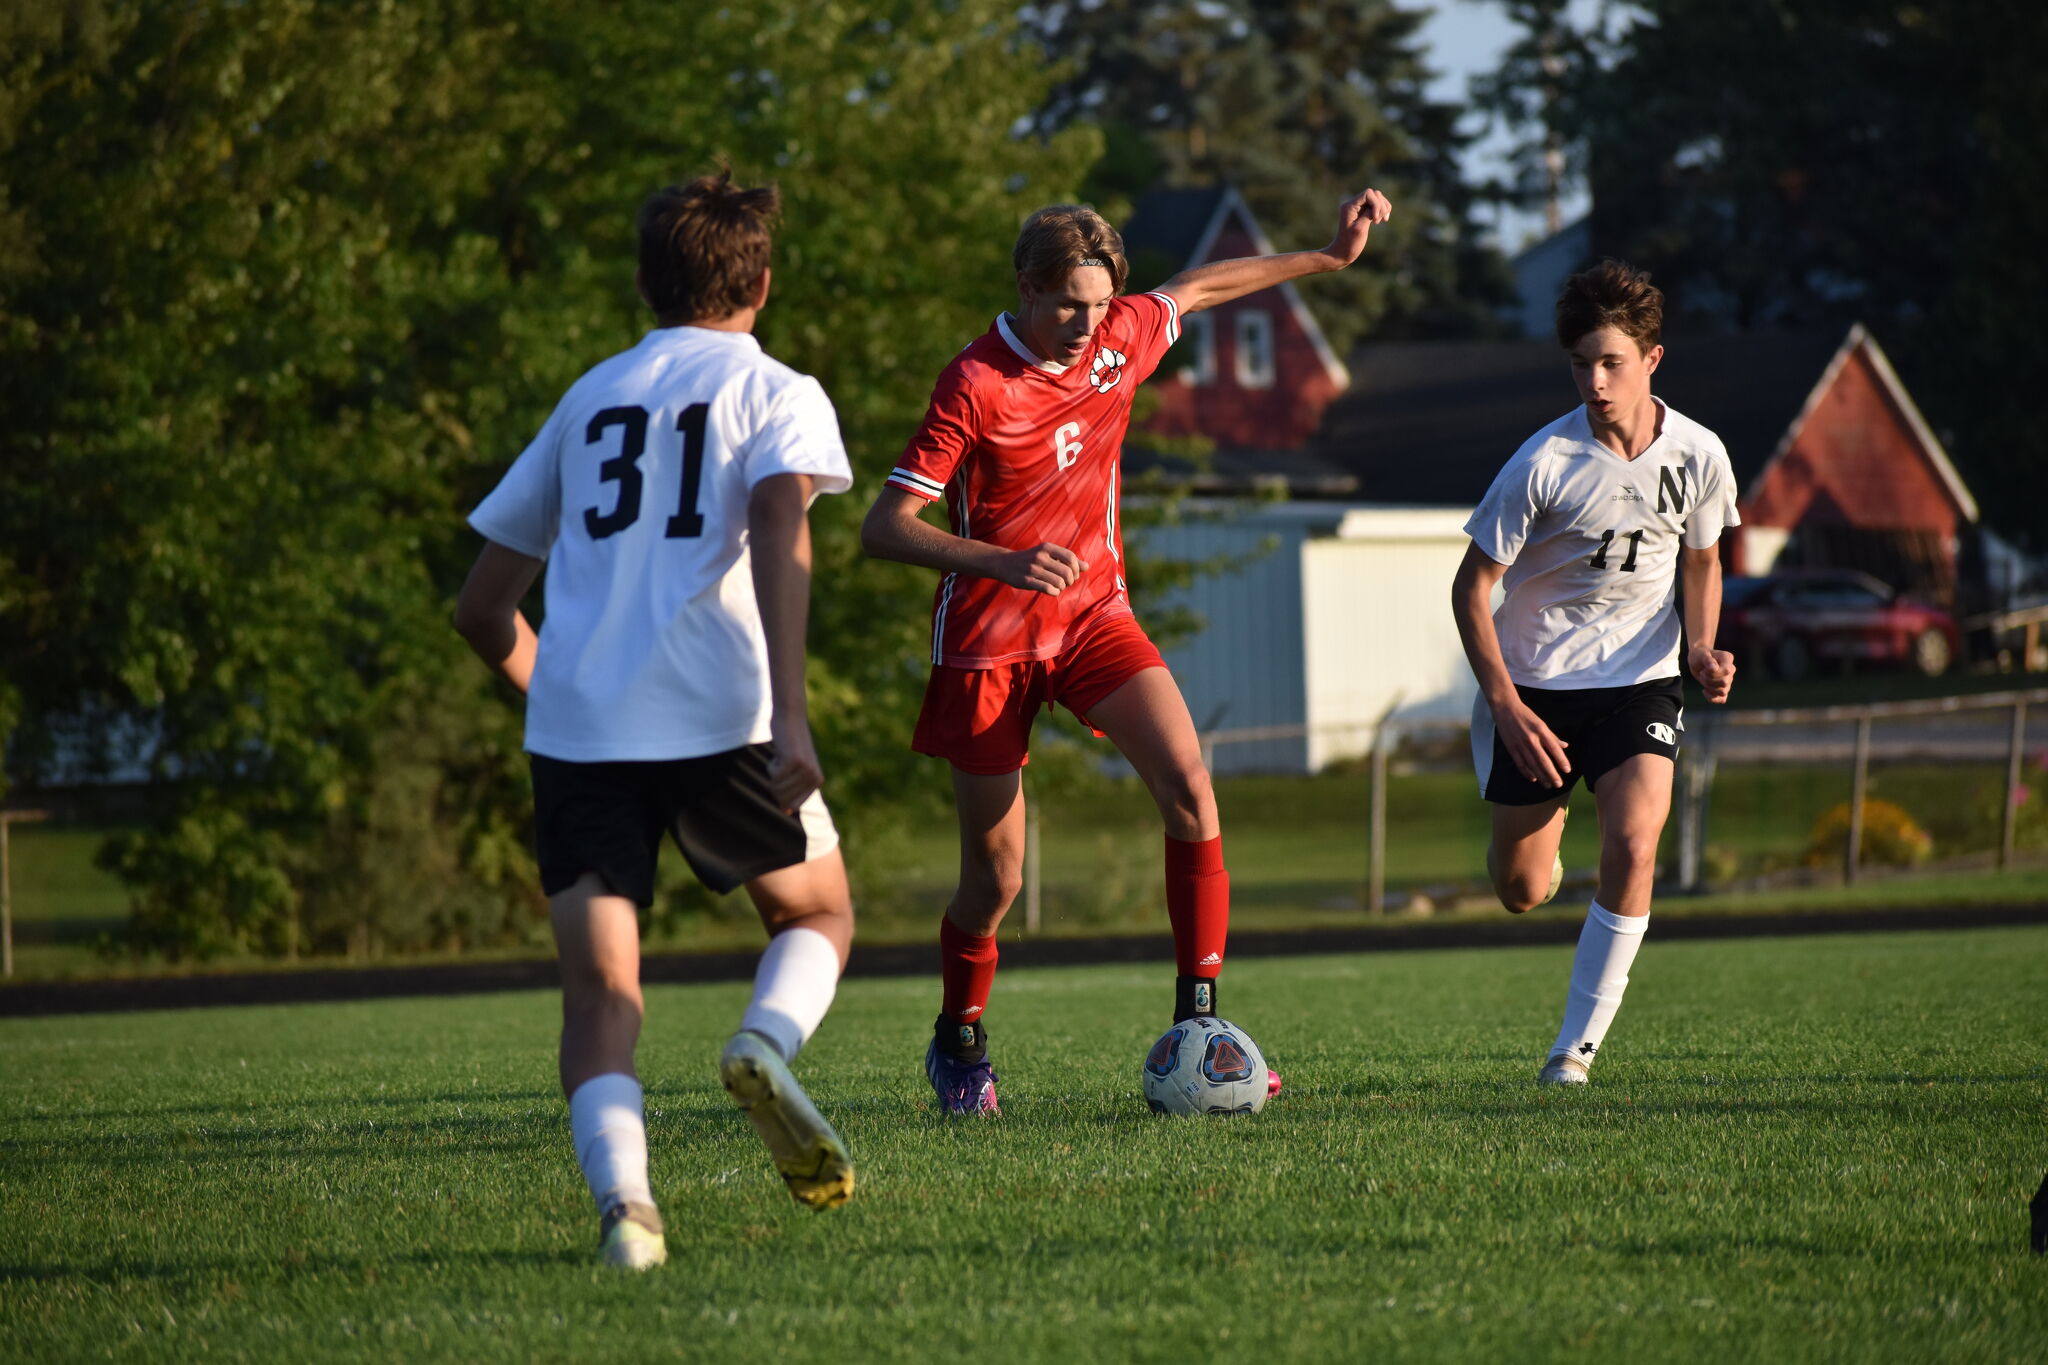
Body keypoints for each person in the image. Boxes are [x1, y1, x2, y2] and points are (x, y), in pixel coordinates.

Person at [861, 190, 1393, 1114]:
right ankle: (960, 1041)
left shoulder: (1120, 336)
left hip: (1095, 615)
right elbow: (884, 526)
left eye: (1102, 304)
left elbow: (1197, 287)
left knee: (1190, 787)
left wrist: (1324, 259)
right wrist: (1005, 560)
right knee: (996, 880)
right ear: (1026, 289)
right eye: (1069, 302)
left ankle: (1204, 1029)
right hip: (989, 644)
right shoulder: (976, 381)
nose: (1088, 323)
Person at [455, 172, 858, 1268]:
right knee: (817, 918)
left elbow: (483, 608)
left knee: (601, 993)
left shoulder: (589, 397)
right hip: (722, 715)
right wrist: (792, 715)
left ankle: (628, 1212)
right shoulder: (777, 390)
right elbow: (781, 532)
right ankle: (761, 1047)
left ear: (643, 283)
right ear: (762, 283)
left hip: (582, 731)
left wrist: (567, 699)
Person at [1450, 260, 1740, 1087]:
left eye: (1611, 361)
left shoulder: (1699, 453)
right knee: (1519, 887)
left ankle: (1573, 1052)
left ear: (1653, 358)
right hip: (1535, 692)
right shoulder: (1543, 462)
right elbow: (1470, 591)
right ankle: (1544, 831)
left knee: (1636, 840)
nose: (1594, 380)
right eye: (1581, 362)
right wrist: (1505, 707)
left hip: (1640, 682)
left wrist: (1699, 647)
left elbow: (1704, 558)